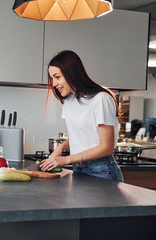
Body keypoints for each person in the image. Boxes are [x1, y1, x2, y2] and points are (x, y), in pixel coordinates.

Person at [40, 50, 124, 182]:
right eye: (52, 78)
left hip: (102, 170)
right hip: (78, 169)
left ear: (71, 74)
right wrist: (60, 148)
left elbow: (107, 147)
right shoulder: (69, 100)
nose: (54, 83)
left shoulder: (101, 99)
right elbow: (81, 135)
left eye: (57, 77)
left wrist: (66, 159)